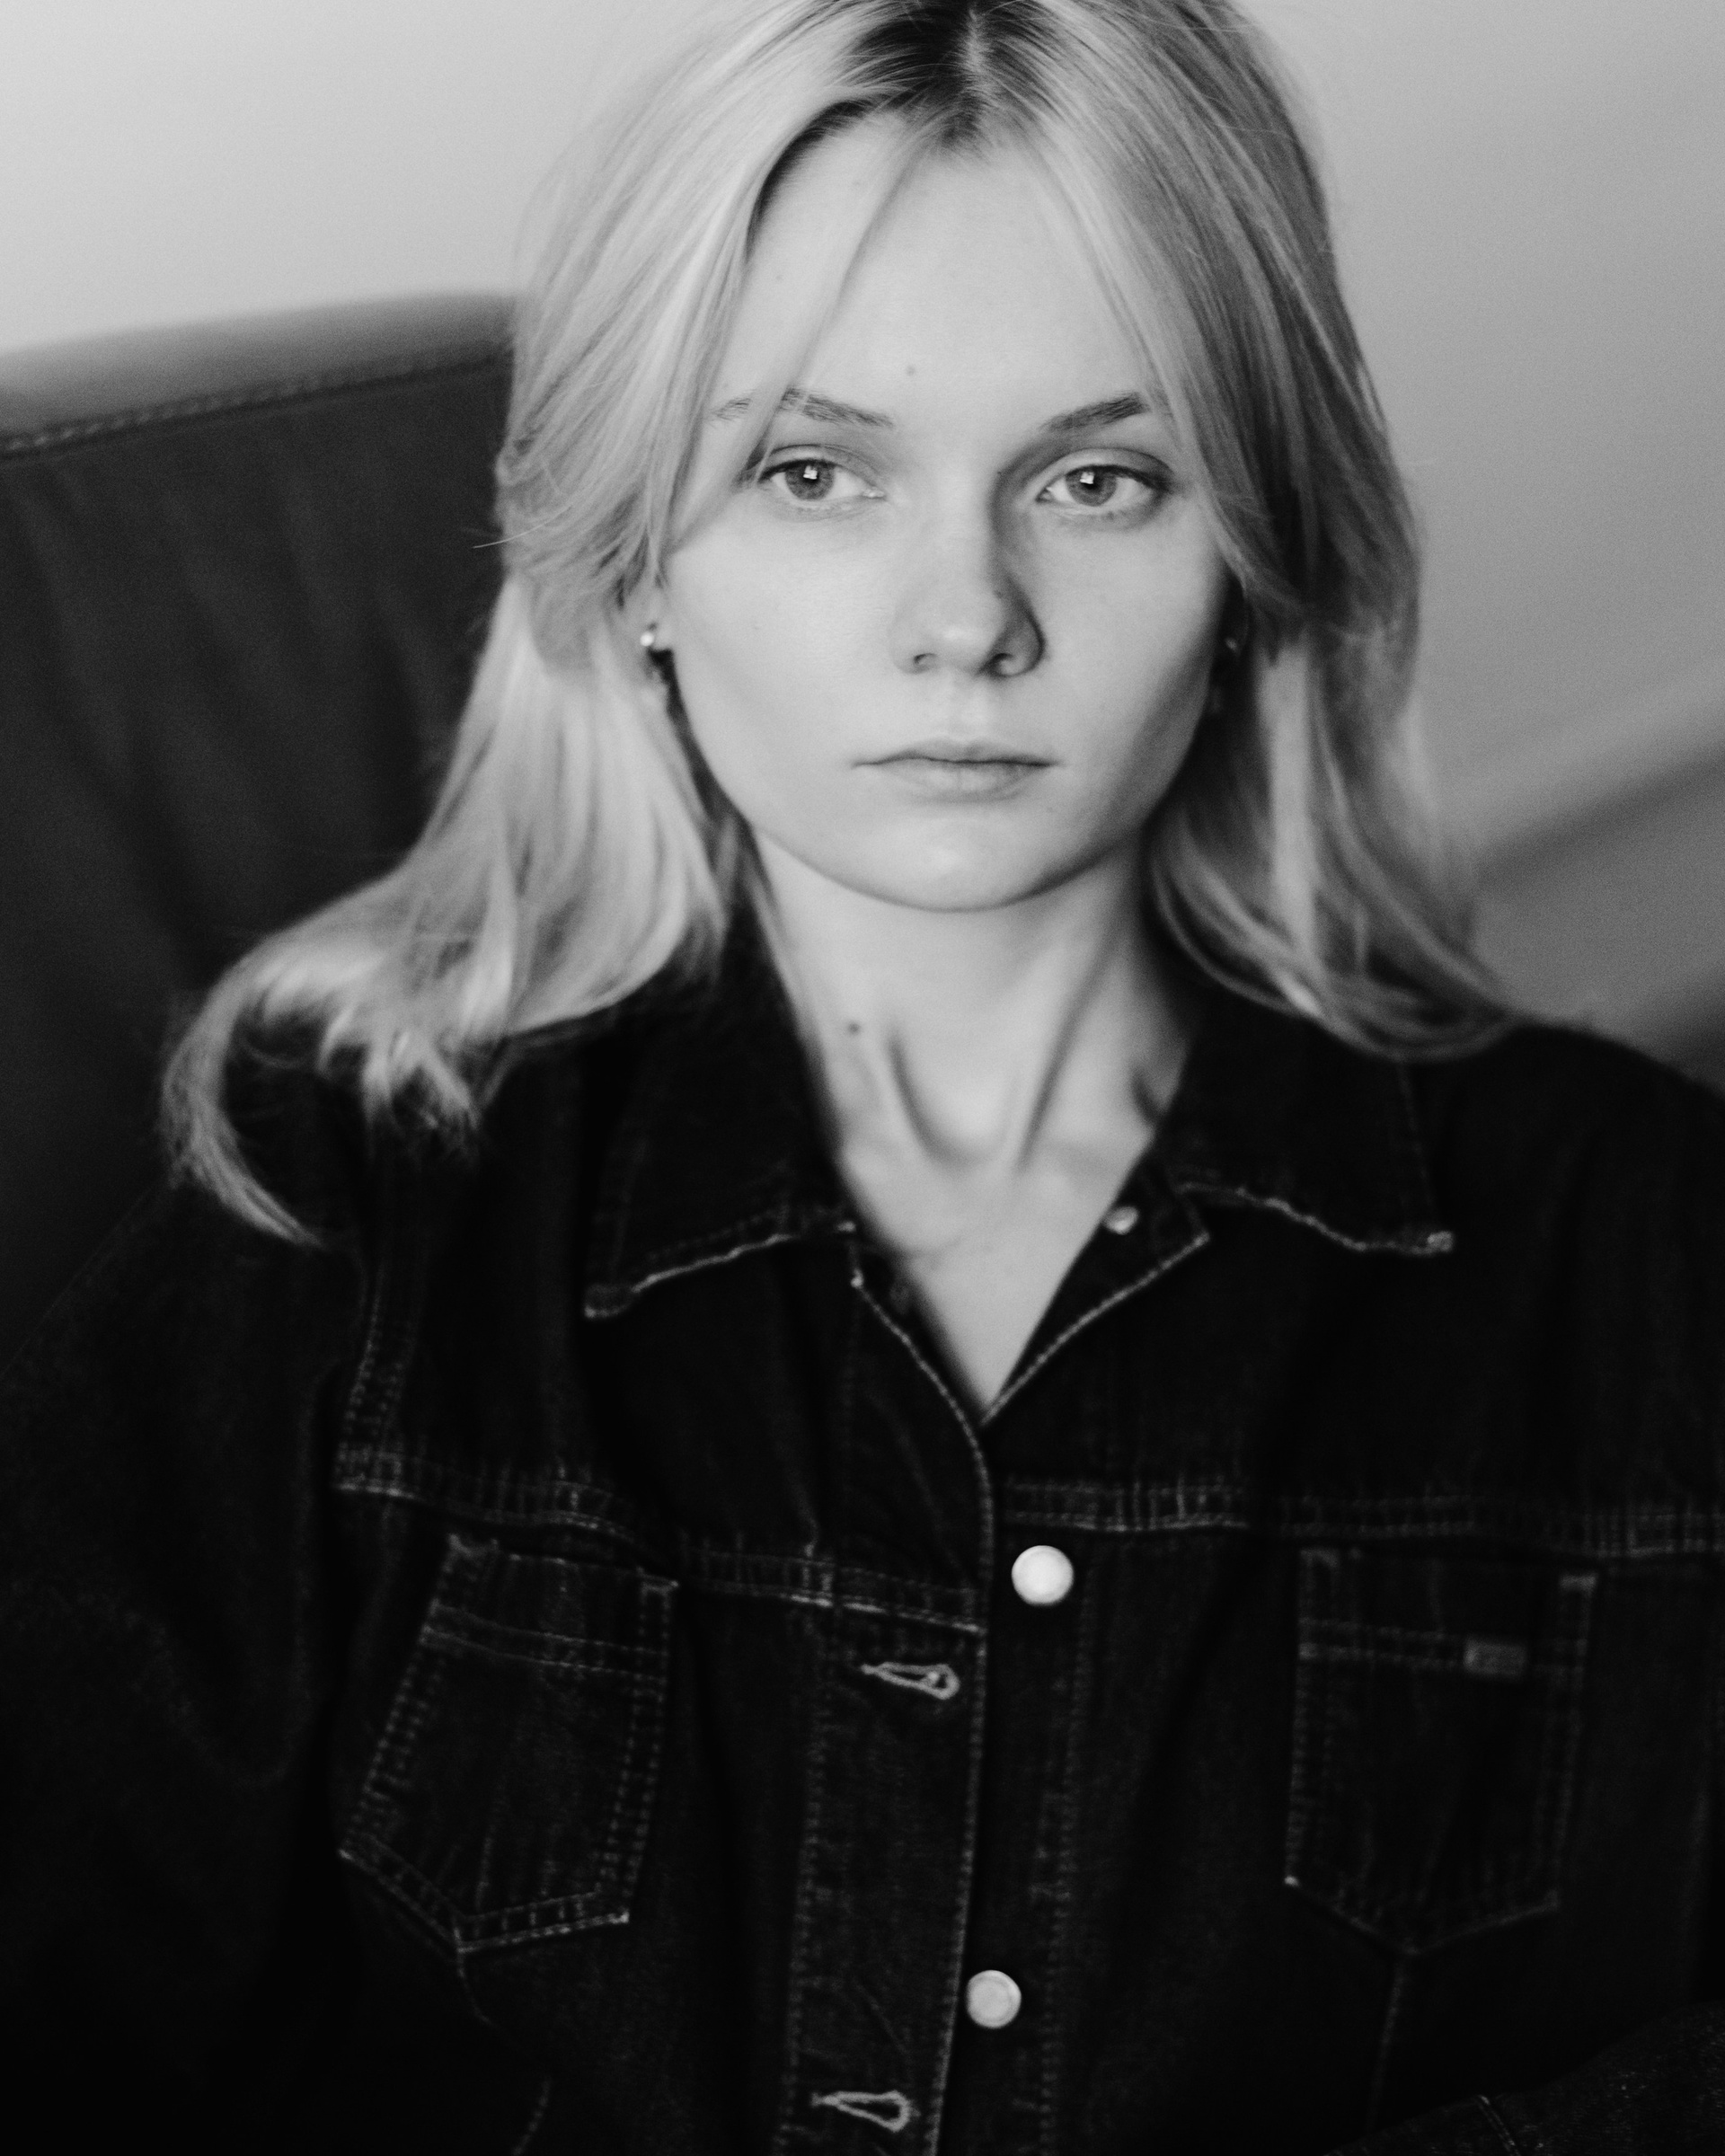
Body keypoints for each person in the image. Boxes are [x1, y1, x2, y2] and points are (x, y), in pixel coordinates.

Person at [4, 0, 1722, 2148]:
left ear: (1255, 561)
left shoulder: (1643, 1244)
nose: (966, 617)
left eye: (1099, 479)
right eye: (814, 474)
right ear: (638, 563)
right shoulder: (345, 1208)